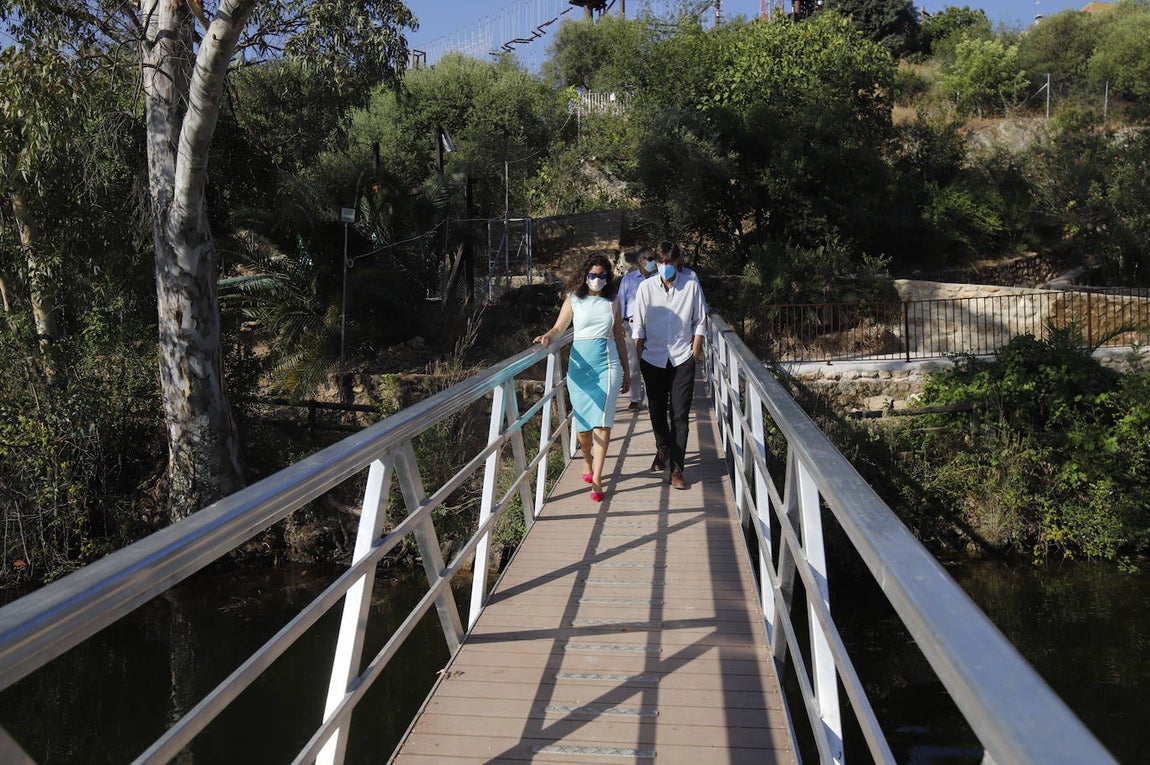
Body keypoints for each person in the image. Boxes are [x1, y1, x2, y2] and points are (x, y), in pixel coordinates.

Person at [534, 254, 631, 502]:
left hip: (607, 365)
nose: (597, 279)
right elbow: (558, 329)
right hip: (580, 368)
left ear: (607, 277)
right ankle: (586, 460)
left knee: (603, 421)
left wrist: (627, 370)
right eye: (592, 275)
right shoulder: (574, 299)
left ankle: (597, 478)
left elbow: (618, 334)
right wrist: (547, 337)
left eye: (602, 275)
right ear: (584, 276)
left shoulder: (614, 301)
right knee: (584, 425)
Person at [631, 241, 707, 490]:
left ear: (677, 262)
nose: (664, 267)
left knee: (680, 414)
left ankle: (677, 469)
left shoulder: (691, 286)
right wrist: (636, 357)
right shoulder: (645, 288)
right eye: (660, 262)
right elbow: (638, 325)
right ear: (656, 263)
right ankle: (662, 448)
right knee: (656, 410)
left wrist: (696, 347)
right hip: (652, 358)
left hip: (682, 358)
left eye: (669, 263)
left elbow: (700, 320)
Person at [614, 247, 656, 411]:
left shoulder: (658, 278)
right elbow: (620, 301)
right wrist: (620, 324)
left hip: (653, 324)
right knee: (633, 363)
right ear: (640, 261)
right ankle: (635, 397)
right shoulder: (628, 279)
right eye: (649, 259)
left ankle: (652, 397)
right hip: (631, 324)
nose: (653, 262)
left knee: (654, 361)